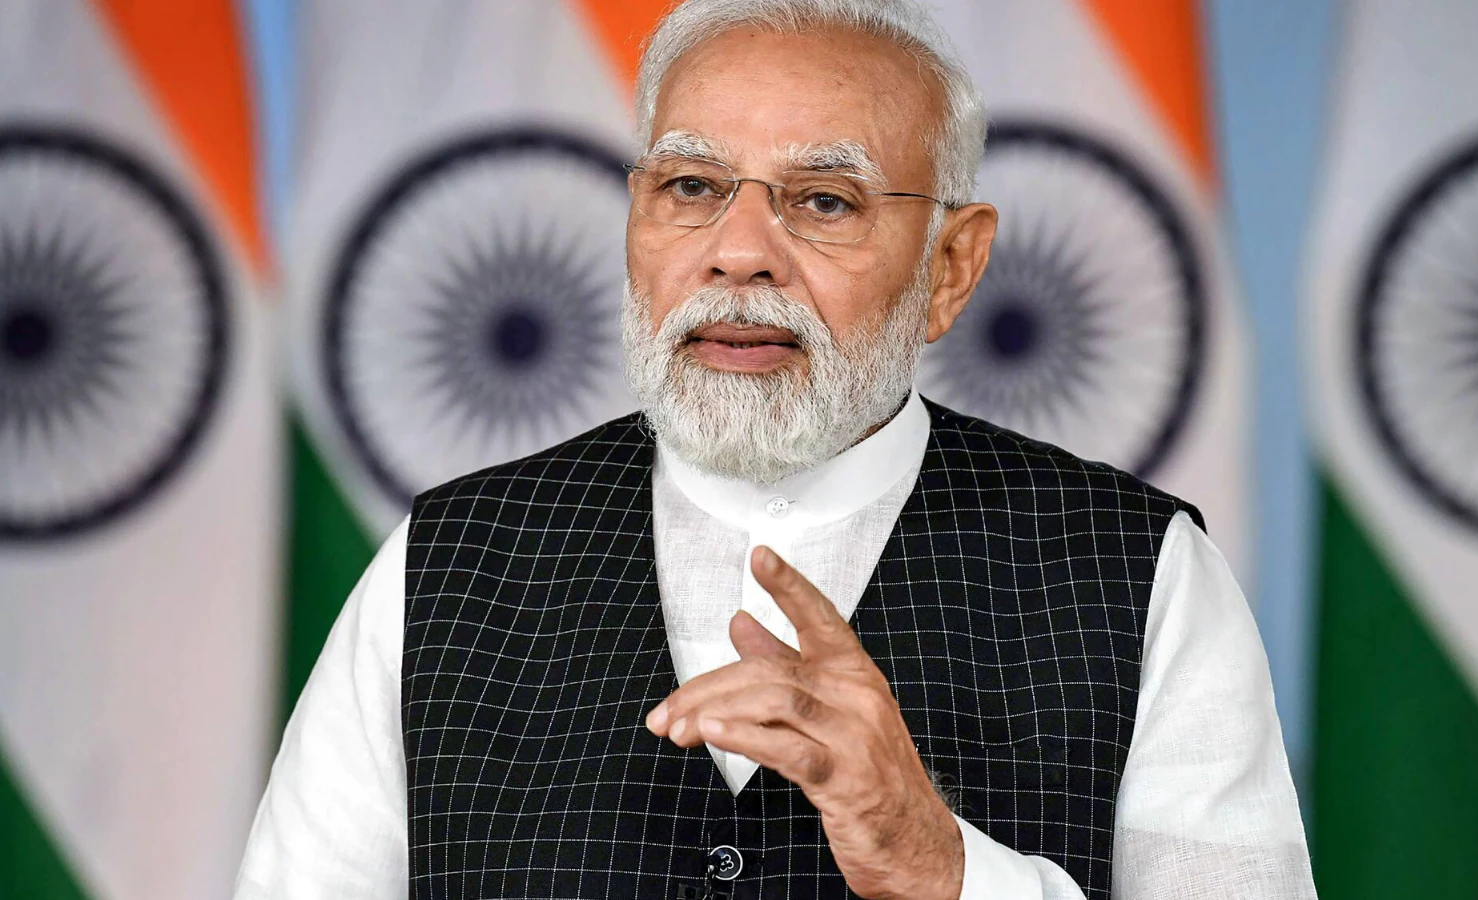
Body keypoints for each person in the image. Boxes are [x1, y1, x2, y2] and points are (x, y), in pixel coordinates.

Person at [235, 1, 1316, 898]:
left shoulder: (1140, 574)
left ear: (949, 268)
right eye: (692, 188)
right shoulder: (444, 566)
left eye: (823, 201)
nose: (740, 253)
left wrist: (942, 868)